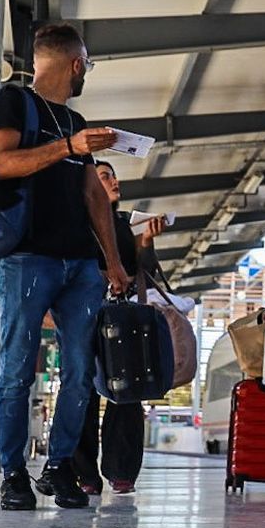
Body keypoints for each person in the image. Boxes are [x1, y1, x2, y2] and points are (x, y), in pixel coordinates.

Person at [0, 22, 130, 511]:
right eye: (86, 64)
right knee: (16, 370)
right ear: (74, 64)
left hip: (80, 266)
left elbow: (94, 196)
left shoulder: (75, 120)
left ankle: (58, 467)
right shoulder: (13, 102)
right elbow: (2, 163)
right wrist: (70, 148)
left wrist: (112, 261)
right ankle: (12, 474)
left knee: (79, 371)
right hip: (26, 258)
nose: (86, 72)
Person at [72, 161, 160, 496]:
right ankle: (84, 473)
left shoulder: (125, 225)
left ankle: (122, 470)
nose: (114, 181)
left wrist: (147, 241)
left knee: (127, 390)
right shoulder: (76, 223)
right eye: (105, 176)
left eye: (114, 175)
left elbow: (146, 273)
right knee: (81, 389)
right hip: (82, 314)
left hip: (122, 320)